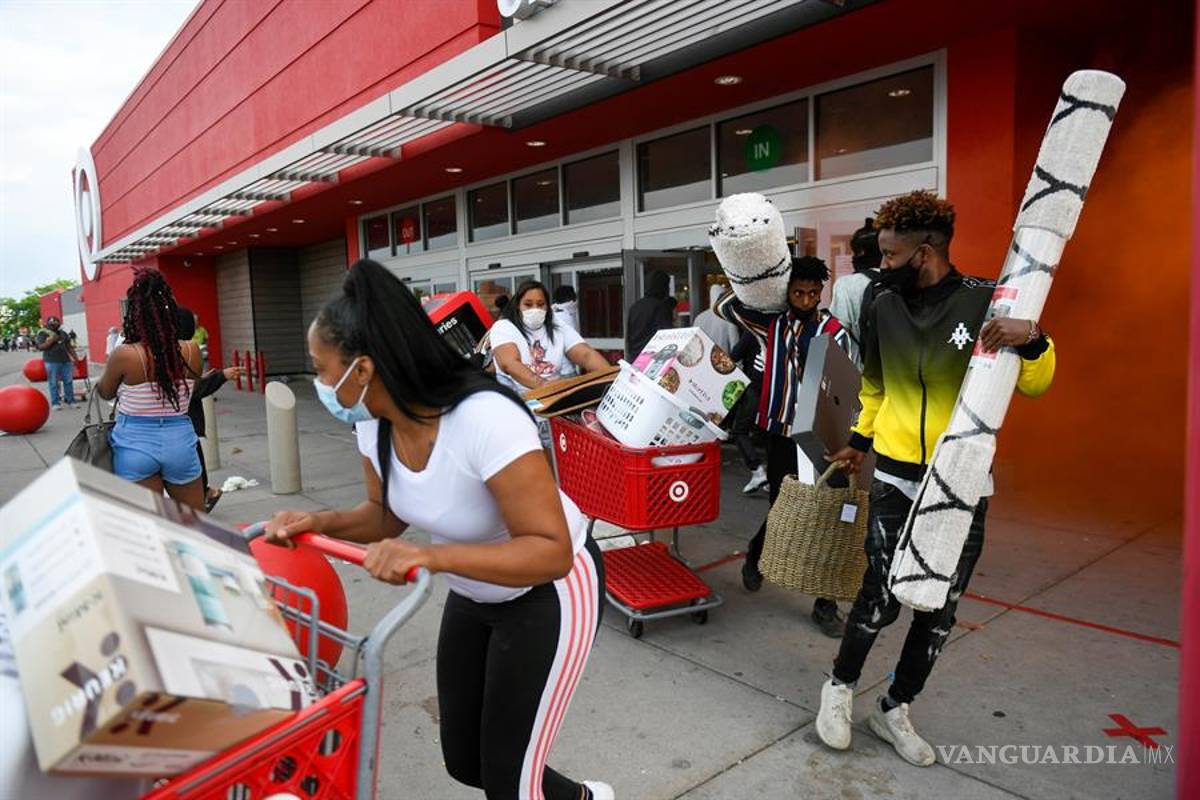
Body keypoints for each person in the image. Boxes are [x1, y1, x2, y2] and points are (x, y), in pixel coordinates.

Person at [264, 259, 612, 800]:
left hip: (551, 591)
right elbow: (385, 513)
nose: (319, 383)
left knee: (510, 783)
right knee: (465, 761)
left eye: (321, 368)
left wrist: (431, 558)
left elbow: (550, 552)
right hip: (476, 591)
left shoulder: (483, 419)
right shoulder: (374, 424)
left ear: (363, 369)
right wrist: (319, 522)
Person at [816, 191, 1056, 767]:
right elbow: (873, 388)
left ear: (924, 252)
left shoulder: (983, 303)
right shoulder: (879, 303)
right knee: (880, 595)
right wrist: (858, 442)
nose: (880, 266)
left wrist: (1034, 340)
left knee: (939, 607)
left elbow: (1036, 384)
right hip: (896, 476)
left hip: (962, 481)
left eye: (891, 255)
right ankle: (840, 688)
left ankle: (895, 706)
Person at [716, 257, 852, 638]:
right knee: (781, 504)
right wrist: (767, 294)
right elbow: (723, 306)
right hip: (779, 433)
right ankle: (756, 555)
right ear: (787, 292)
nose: (806, 300)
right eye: (797, 292)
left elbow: (843, 383)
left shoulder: (834, 331)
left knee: (828, 516)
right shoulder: (769, 324)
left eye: (812, 293)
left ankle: (826, 606)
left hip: (821, 438)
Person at [97, 268, 205, 510]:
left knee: (149, 526)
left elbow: (105, 393)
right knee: (195, 522)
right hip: (179, 439)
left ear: (134, 315)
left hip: (134, 442)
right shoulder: (191, 350)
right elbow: (191, 388)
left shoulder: (124, 355)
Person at [175, 307, 244, 511]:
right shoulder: (184, 349)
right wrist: (220, 376)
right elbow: (190, 388)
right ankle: (203, 495)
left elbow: (189, 387)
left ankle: (203, 494)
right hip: (183, 421)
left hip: (178, 421)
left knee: (193, 457)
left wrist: (215, 377)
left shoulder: (177, 350)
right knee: (192, 457)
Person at [830, 218, 883, 364]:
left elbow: (838, 335)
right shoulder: (900, 281)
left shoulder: (845, 285)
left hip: (861, 374)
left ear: (860, 252)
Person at [729, 329, 767, 494]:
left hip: (753, 389)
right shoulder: (781, 330)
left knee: (739, 431)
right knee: (769, 435)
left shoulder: (752, 332)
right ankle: (771, 479)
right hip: (775, 391)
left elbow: (734, 356)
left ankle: (757, 471)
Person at [625, 270, 674, 359]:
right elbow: (667, 336)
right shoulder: (660, 307)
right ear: (662, 286)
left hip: (635, 358)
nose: (668, 289)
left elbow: (629, 336)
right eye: (667, 285)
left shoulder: (635, 306)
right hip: (652, 359)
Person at [34, 316, 77, 410]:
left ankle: (71, 401)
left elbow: (69, 347)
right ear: (48, 323)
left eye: (56, 322)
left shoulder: (63, 333)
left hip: (66, 361)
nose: (55, 324)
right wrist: (51, 341)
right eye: (52, 322)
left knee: (68, 381)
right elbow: (40, 347)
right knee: (53, 382)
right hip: (51, 361)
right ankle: (55, 403)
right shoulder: (43, 333)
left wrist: (75, 358)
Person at [694, 284, 738, 356]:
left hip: (704, 358)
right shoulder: (727, 318)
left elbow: (694, 342)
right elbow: (735, 343)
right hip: (722, 360)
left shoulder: (699, 318)